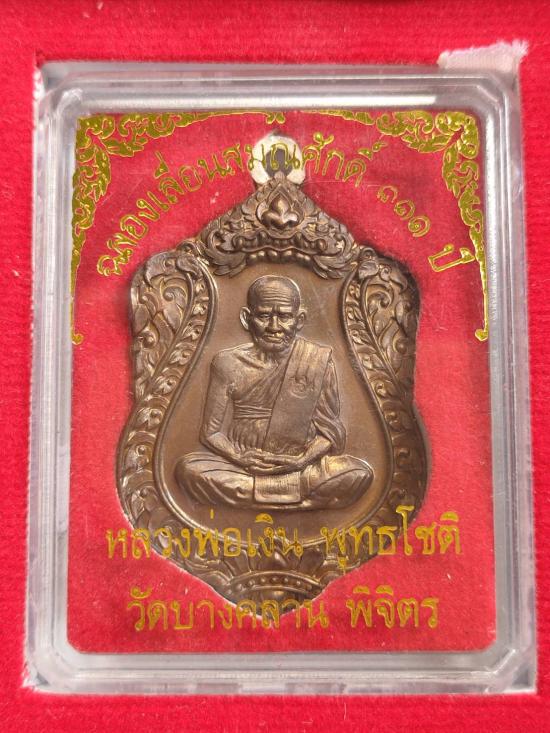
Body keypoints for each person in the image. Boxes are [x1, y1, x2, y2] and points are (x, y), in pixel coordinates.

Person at [176, 275, 372, 509]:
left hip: (300, 467)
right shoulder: (227, 363)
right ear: (247, 318)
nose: (274, 327)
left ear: (299, 320)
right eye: (264, 316)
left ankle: (256, 497)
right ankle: (298, 500)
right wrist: (239, 457)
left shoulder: (316, 360)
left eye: (285, 316)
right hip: (244, 468)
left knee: (358, 472)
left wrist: (302, 460)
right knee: (188, 469)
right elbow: (210, 433)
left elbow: (330, 433)